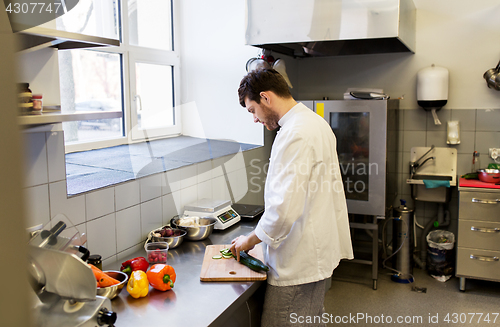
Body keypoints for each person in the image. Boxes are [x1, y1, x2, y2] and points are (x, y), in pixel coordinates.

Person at [231, 68, 353, 326]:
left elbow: (284, 210)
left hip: (299, 261)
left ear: (266, 97)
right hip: (312, 251)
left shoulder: (295, 133)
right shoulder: (314, 122)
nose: (254, 119)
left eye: (252, 110)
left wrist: (249, 241)